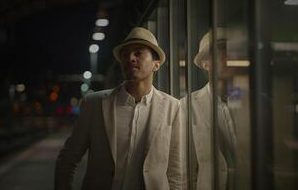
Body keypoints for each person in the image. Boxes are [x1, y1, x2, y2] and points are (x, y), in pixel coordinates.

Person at [55, 27, 182, 190]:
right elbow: (68, 159)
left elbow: (176, 172)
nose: (130, 58)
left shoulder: (173, 107)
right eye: (125, 54)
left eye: (138, 53)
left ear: (156, 64)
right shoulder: (94, 104)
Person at [180, 27, 237, 190]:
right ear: (205, 63)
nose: (229, 58)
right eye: (221, 53)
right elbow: (185, 169)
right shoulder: (187, 106)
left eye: (232, 52)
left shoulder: (256, 100)